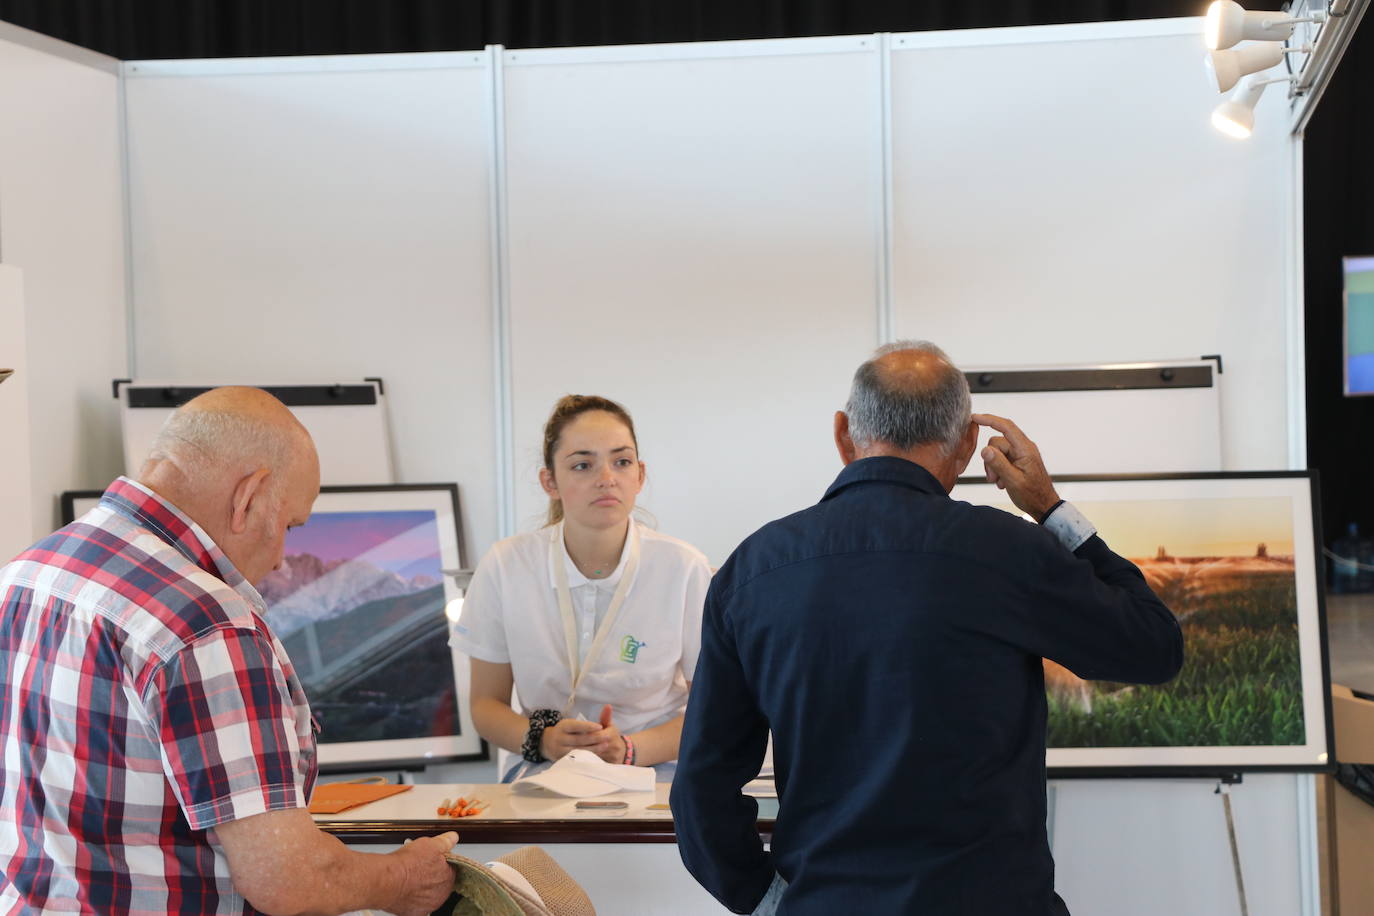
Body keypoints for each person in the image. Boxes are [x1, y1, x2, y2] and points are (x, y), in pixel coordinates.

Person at [671, 341, 1184, 915]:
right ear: (967, 445)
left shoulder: (753, 569)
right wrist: (1049, 507)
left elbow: (701, 790)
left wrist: (767, 902)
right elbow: (1154, 646)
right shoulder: (1010, 551)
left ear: (843, 434)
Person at [0, 387, 458, 916]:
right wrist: (402, 878)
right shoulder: (207, 623)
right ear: (250, 494)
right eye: (289, 524)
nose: (285, 558)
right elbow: (287, 879)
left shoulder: (27, 572)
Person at [452, 394, 711, 781]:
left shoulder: (685, 568)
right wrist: (544, 740)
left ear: (639, 475)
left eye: (621, 462)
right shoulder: (507, 565)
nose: (606, 477)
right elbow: (485, 705)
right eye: (583, 465)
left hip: (659, 775)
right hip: (543, 774)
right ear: (550, 481)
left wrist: (629, 750)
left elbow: (714, 709)